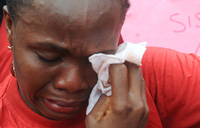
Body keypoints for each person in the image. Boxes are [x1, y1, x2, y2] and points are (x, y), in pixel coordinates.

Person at [1, 0, 200, 128]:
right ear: (10, 27)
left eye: (96, 58)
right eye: (49, 57)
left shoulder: (155, 77)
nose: (73, 83)